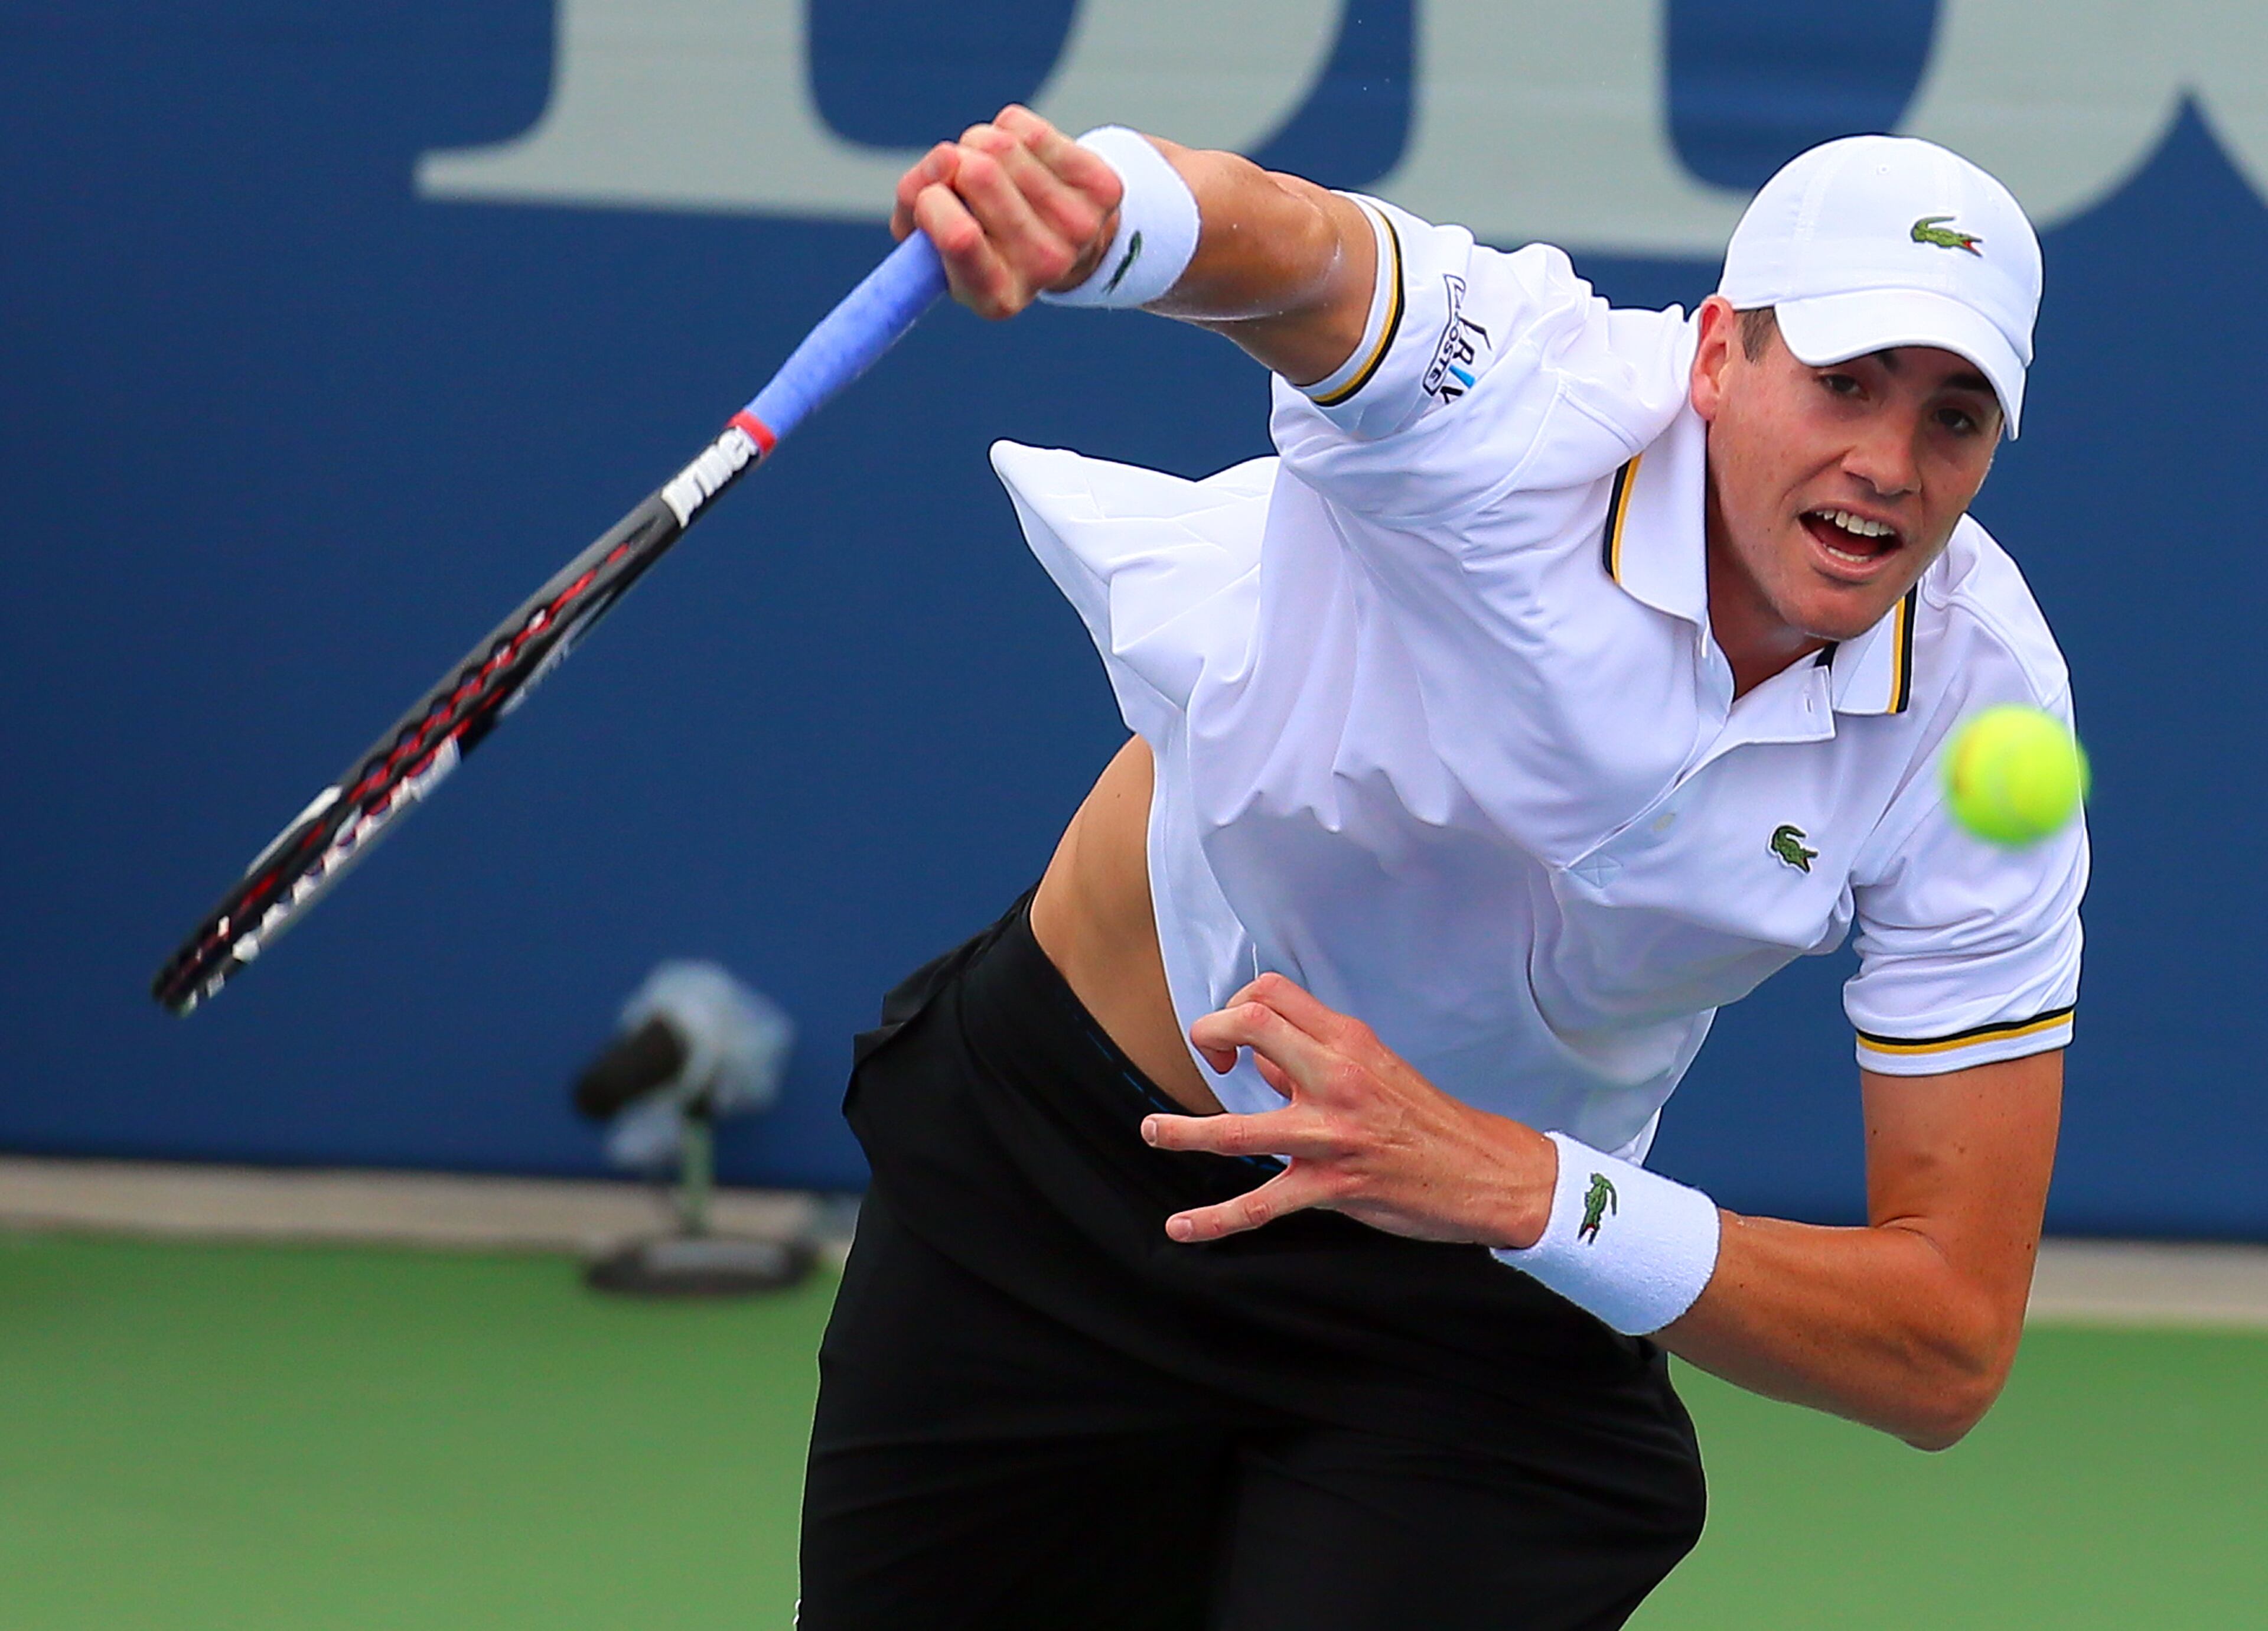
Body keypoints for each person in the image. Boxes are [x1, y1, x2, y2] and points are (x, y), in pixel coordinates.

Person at [797, 106, 2084, 1631]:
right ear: (1719, 351)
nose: (1887, 463)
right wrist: (1106, 209)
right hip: (1067, 1176)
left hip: (1472, 1273)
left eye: (1955, 416)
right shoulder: (1526, 396)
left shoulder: (1981, 717)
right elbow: (1302, 249)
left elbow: (1943, 1341)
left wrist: (1526, 1188)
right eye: (1845, 380)